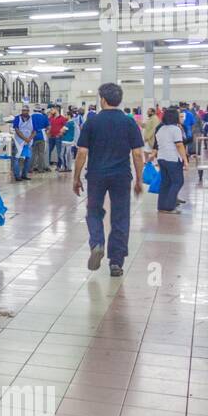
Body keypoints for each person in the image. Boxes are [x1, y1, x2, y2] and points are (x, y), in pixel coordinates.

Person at [72, 82, 145, 277]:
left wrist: (76, 178)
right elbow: (137, 154)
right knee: (120, 216)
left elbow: (82, 152)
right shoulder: (129, 122)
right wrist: (139, 179)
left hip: (96, 175)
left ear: (102, 99)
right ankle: (116, 262)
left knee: (93, 212)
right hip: (121, 176)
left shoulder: (92, 122)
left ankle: (97, 243)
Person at [152, 107, 189, 214]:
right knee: (178, 181)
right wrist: (185, 160)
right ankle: (169, 206)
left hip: (162, 158)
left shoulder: (161, 129)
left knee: (165, 182)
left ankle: (162, 206)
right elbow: (179, 145)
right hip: (172, 158)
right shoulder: (175, 129)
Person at [11, 105, 35, 181]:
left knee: (28, 158)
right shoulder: (17, 118)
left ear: (28, 111)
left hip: (28, 142)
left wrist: (29, 139)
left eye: (26, 110)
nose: (24, 112)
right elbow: (17, 130)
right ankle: (17, 176)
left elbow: (35, 130)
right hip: (19, 141)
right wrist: (24, 138)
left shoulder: (32, 119)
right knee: (16, 158)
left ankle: (24, 175)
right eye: (23, 110)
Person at [48, 105, 68, 172]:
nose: (51, 111)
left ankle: (59, 166)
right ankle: (47, 165)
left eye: (52, 110)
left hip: (58, 137)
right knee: (48, 151)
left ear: (56, 110)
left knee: (59, 152)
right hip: (51, 137)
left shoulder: (62, 118)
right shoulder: (51, 118)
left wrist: (60, 134)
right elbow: (48, 126)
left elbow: (66, 127)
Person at [30, 106, 50, 173]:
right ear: (40, 111)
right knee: (41, 153)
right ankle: (40, 169)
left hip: (33, 136)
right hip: (42, 136)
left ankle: (30, 168)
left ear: (34, 110)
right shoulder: (44, 117)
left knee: (33, 153)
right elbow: (48, 127)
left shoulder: (31, 117)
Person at [59, 108, 78, 172]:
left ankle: (65, 167)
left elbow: (62, 131)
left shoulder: (68, 123)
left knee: (63, 154)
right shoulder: (73, 122)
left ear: (69, 116)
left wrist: (60, 132)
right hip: (70, 141)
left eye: (66, 115)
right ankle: (69, 167)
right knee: (68, 154)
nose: (65, 116)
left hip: (65, 140)